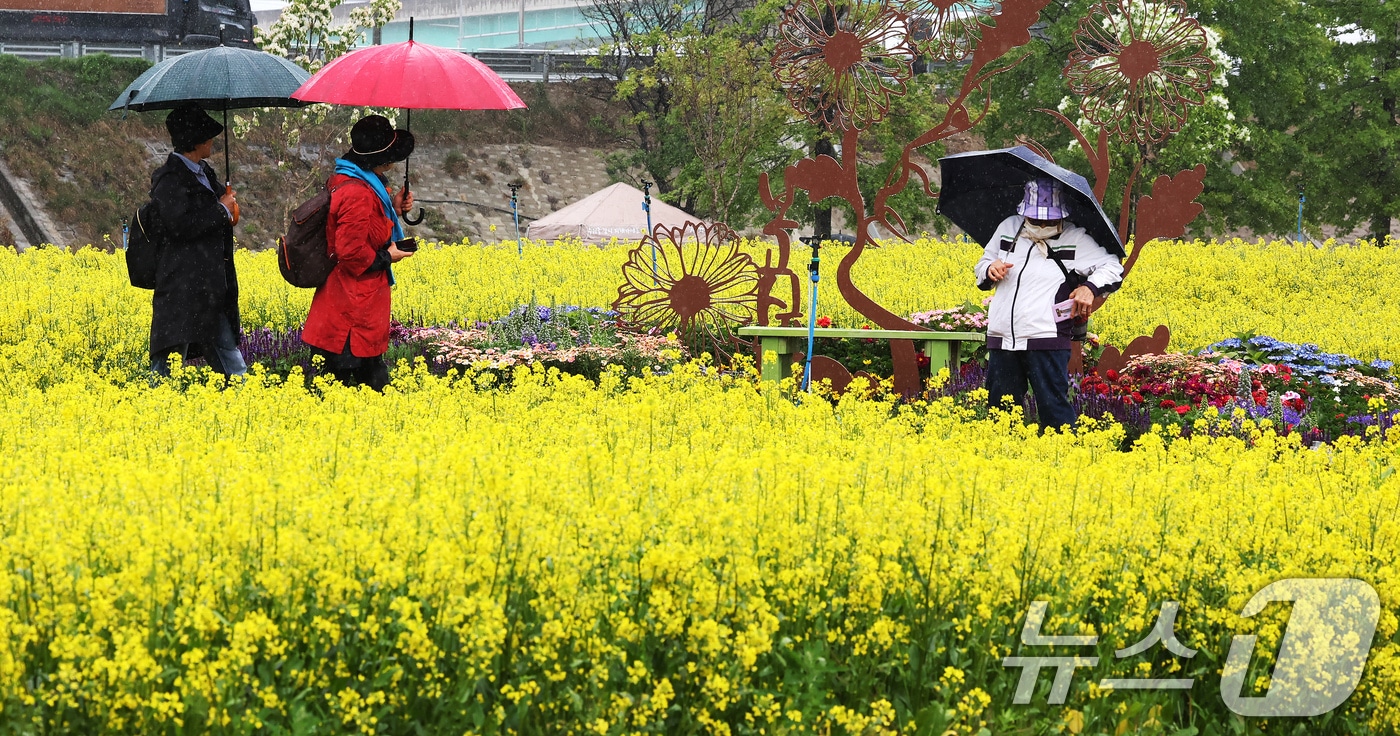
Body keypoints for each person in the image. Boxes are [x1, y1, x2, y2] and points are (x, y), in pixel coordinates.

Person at [974, 178, 1123, 429]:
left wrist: (1089, 288)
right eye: (1036, 220)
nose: (1043, 225)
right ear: (1024, 213)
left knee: (1054, 411)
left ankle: (1061, 451)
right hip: (1002, 337)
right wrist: (990, 268)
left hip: (1046, 338)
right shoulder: (1008, 227)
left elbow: (1112, 267)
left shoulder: (1075, 237)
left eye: (1050, 221)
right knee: (1000, 413)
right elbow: (982, 264)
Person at [301, 115, 417, 392]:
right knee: (349, 387)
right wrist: (388, 256)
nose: (394, 162)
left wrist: (393, 207)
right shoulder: (358, 193)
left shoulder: (354, 180)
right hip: (351, 310)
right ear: (381, 159)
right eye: (391, 156)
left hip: (350, 304)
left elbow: (365, 228)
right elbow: (351, 252)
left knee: (356, 388)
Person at [149, 103, 245, 378]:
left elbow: (216, 212)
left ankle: (244, 397)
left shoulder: (204, 173)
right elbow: (180, 226)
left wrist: (228, 206)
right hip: (182, 286)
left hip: (209, 286)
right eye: (207, 136)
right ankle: (154, 401)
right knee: (167, 364)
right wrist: (221, 209)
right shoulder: (169, 180)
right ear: (196, 141)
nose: (212, 141)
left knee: (230, 359)